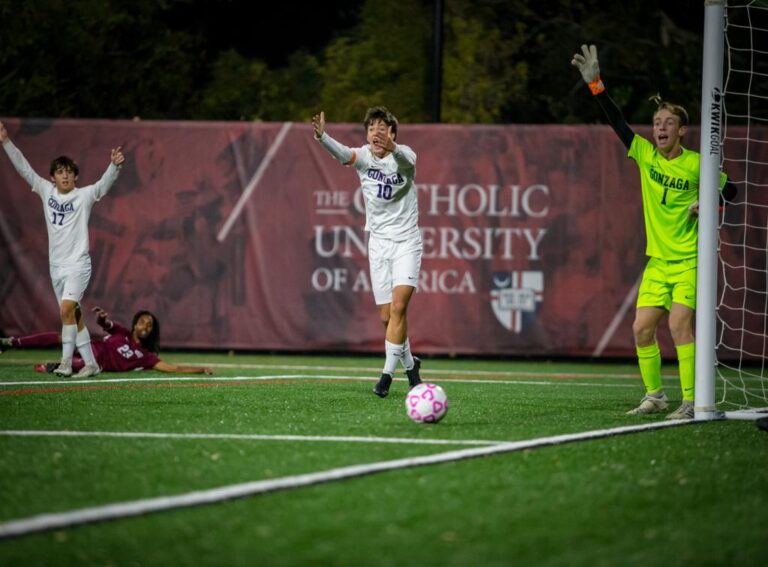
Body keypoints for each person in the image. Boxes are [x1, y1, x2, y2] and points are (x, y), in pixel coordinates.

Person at [571, 44, 736, 419]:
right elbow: (617, 122)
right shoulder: (645, 155)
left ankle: (692, 402)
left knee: (679, 324)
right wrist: (596, 85)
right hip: (658, 262)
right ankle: (655, 396)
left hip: (691, 259)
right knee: (642, 329)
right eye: (657, 122)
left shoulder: (698, 164)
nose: (660, 127)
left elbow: (733, 191)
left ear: (682, 131)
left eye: (668, 123)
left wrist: (710, 200)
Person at [311, 107, 423, 397]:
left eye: (382, 127)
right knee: (388, 319)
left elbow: (407, 163)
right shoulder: (364, 157)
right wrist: (323, 137)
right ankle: (411, 366)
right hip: (378, 244)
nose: (376, 132)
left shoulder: (405, 156)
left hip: (407, 242)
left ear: (393, 133)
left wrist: (394, 148)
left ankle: (386, 376)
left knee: (399, 308)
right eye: (371, 127)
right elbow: (343, 154)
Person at [0, 121, 125, 379]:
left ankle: (66, 363)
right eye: (60, 172)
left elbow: (102, 185)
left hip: (78, 264)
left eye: (69, 171)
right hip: (55, 266)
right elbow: (25, 169)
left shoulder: (84, 196)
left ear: (76, 176)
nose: (65, 175)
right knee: (74, 316)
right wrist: (5, 142)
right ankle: (91, 364)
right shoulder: (47, 191)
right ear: (53, 176)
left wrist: (114, 166)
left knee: (67, 309)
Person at [0, 306, 215, 375]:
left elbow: (174, 368)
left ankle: (55, 366)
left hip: (97, 364)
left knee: (83, 365)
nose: (145, 326)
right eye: (142, 321)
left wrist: (200, 369)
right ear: (134, 324)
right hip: (90, 348)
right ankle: (10, 343)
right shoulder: (121, 333)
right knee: (63, 335)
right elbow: (107, 324)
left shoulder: (146, 357)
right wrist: (102, 319)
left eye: (149, 325)